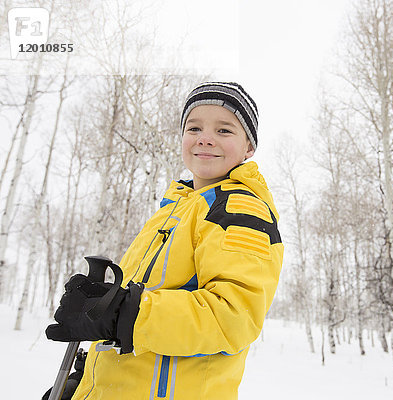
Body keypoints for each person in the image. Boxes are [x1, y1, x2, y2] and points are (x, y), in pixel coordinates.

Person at [45, 82, 284, 399]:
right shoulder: (174, 210)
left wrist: (121, 312)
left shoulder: (239, 209)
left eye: (224, 130)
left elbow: (232, 317)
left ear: (248, 148)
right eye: (194, 127)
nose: (205, 138)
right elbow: (142, 309)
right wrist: (86, 380)